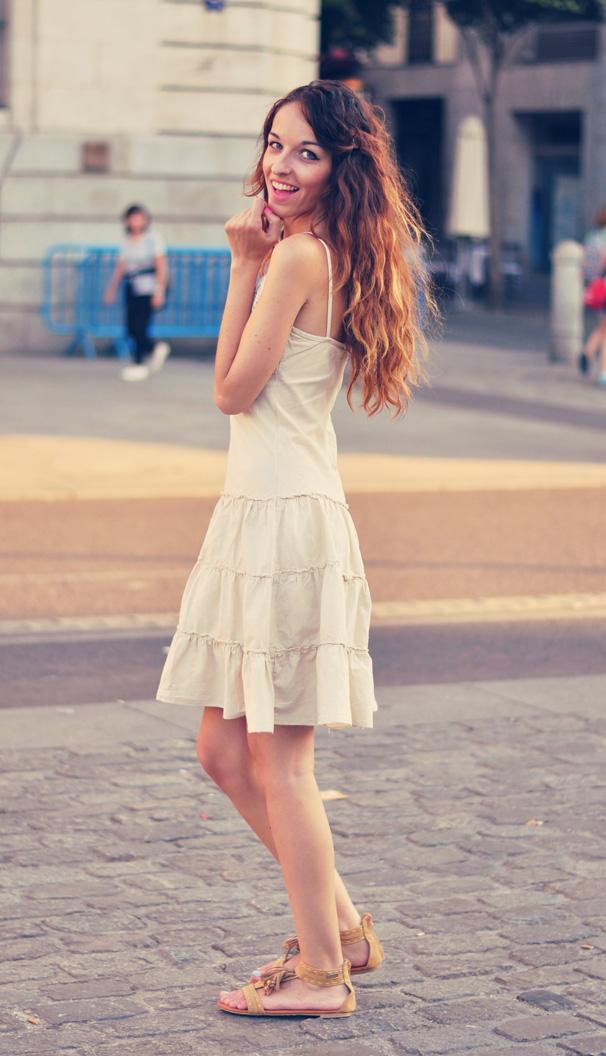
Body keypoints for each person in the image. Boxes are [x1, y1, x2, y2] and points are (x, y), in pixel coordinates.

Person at [156, 79, 434, 1018]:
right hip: (272, 512)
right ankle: (344, 926)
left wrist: (241, 265)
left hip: (283, 521)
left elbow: (231, 391)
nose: (280, 165)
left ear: (342, 166)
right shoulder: (341, 249)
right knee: (222, 752)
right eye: (276, 144)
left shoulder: (299, 259)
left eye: (306, 152)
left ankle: (320, 973)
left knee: (279, 762)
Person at [103, 204, 171, 382]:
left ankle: (139, 362)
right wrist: (111, 289)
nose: (136, 221)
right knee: (130, 327)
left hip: (148, 287)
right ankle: (155, 347)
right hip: (132, 287)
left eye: (139, 217)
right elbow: (121, 267)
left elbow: (161, 266)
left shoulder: (153, 239)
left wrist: (159, 291)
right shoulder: (126, 240)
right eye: (132, 218)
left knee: (141, 325)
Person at [579, 206, 606, 387]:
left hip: (596, 286)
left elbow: (584, 261)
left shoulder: (591, 237)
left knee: (603, 329)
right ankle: (591, 354)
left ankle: (591, 355)